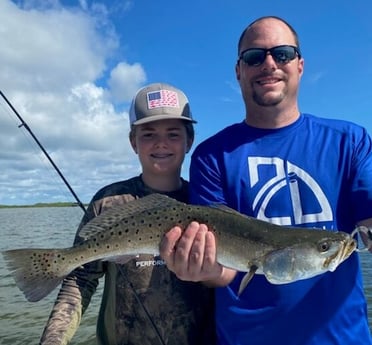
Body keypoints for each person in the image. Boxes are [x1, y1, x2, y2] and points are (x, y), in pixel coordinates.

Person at [160, 16, 372, 345]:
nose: (269, 64)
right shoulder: (212, 155)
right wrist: (201, 269)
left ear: (300, 65)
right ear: (238, 71)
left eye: (283, 54)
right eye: (254, 57)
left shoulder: (350, 141)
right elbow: (224, 270)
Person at [40, 82, 215, 345]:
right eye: (148, 134)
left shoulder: (204, 200)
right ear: (133, 142)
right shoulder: (108, 202)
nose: (161, 143)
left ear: (190, 140)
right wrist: (53, 339)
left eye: (173, 134)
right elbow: (81, 278)